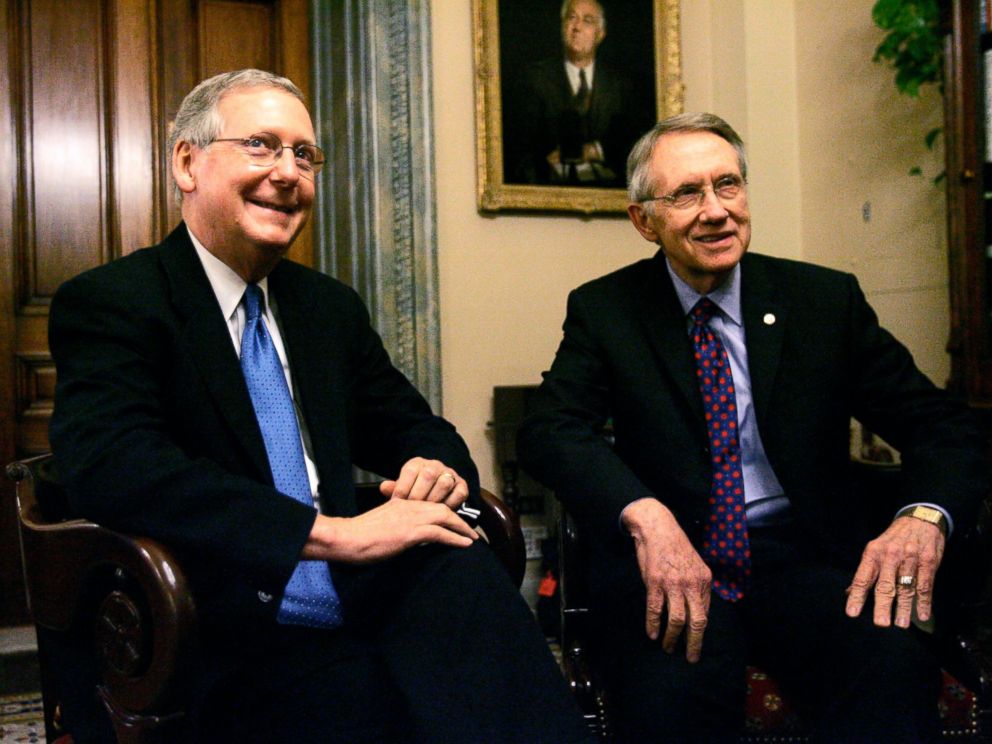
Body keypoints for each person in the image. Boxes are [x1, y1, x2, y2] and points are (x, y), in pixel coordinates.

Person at [48, 69, 592, 744]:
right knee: (387, 705)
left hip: (351, 595)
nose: (288, 172)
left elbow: (415, 425)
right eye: (262, 146)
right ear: (187, 163)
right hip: (213, 623)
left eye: (304, 155)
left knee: (458, 566)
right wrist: (336, 534)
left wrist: (434, 470)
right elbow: (116, 467)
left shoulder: (325, 308)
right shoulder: (115, 303)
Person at [517, 112, 989, 742]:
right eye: (687, 193)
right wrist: (644, 513)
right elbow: (549, 430)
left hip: (808, 563)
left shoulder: (823, 302)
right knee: (667, 705)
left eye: (728, 185)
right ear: (643, 221)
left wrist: (923, 517)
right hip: (674, 567)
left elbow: (943, 427)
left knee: (891, 670)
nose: (715, 210)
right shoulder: (607, 310)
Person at [506, 0, 646, 187]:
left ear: (600, 34)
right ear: (563, 26)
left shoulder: (619, 86)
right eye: (572, 18)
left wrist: (595, 151)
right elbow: (519, 150)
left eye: (587, 21)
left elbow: (633, 146)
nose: (577, 27)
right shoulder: (534, 80)